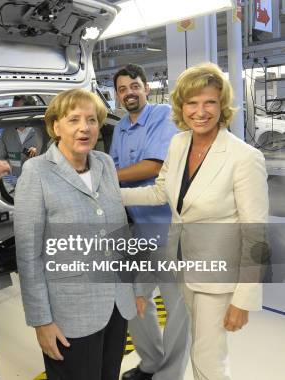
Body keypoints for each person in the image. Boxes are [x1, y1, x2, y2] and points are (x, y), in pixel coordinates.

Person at [121, 62, 269, 380]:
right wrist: (110, 192)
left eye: (209, 102)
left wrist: (244, 299)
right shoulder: (179, 144)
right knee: (198, 351)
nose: (200, 112)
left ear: (222, 106)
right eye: (192, 103)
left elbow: (256, 235)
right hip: (182, 266)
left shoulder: (243, 157)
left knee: (208, 358)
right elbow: (161, 192)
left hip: (218, 277)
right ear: (181, 106)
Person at [14, 88, 139, 380]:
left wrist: (135, 287)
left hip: (116, 306)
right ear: (56, 126)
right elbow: (29, 255)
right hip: (69, 315)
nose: (85, 128)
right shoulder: (37, 172)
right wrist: (41, 321)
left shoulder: (105, 164)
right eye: (74, 120)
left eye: (92, 120)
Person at [111, 64, 189, 380]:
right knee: (135, 302)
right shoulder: (119, 128)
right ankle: (151, 363)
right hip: (136, 231)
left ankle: (169, 374)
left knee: (176, 308)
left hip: (168, 229)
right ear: (117, 95)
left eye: (134, 85)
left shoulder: (163, 116)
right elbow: (116, 166)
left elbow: (154, 166)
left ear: (145, 87)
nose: (129, 92)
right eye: (122, 88)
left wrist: (103, 178)